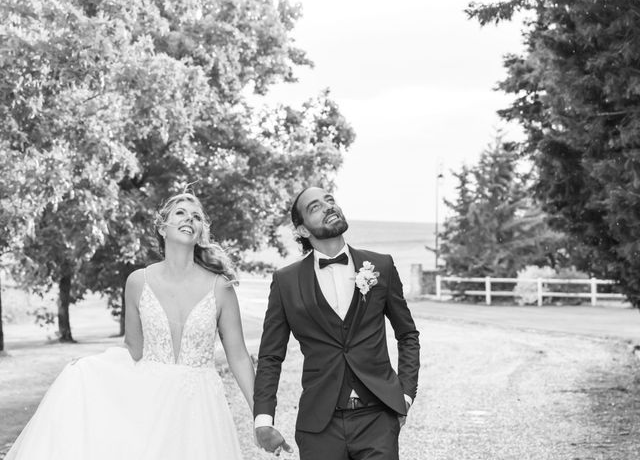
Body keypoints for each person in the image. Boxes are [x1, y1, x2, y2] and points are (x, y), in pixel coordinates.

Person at [6, 192, 255, 460]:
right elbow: (133, 349)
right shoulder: (138, 281)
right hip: (150, 403)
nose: (189, 219)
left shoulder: (221, 287)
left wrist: (261, 415)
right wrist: (90, 367)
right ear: (162, 228)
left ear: (201, 231)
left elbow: (239, 356)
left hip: (202, 408)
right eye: (181, 213)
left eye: (196, 217)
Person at [253, 186, 421, 460]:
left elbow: (408, 335)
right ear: (303, 230)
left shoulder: (381, 266)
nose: (328, 206)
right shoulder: (286, 282)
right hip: (319, 425)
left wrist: (405, 394)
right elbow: (271, 355)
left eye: (329, 200)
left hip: (377, 419)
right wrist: (263, 419)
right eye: (315, 207)